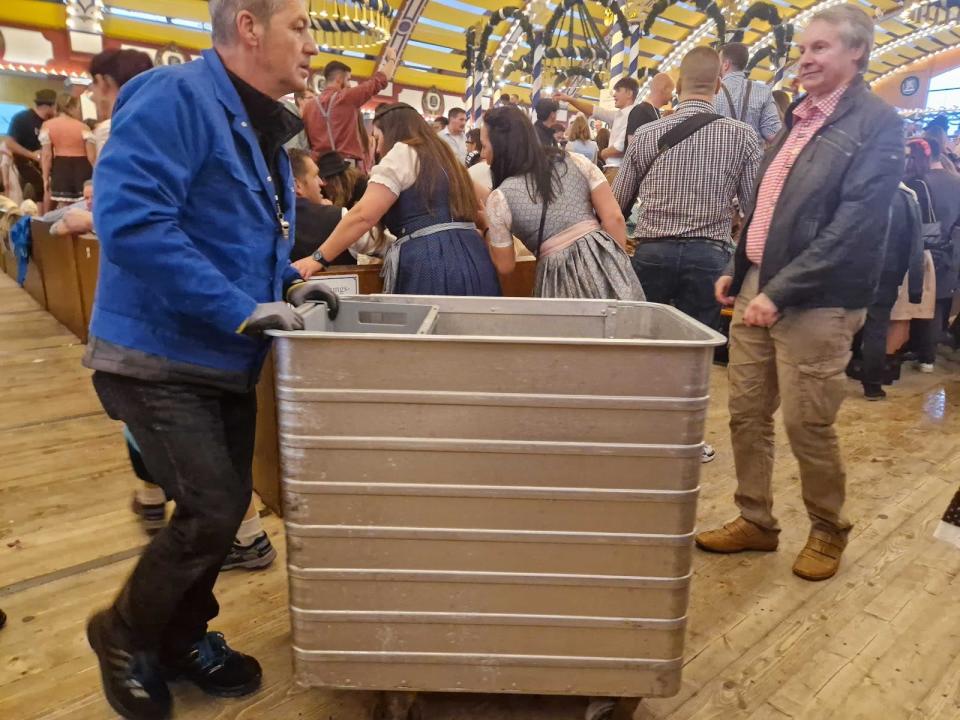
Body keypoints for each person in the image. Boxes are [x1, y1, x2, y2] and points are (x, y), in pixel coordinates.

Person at [83, 1, 320, 717]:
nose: (312, 43)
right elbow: (130, 220)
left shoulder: (263, 131)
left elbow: (242, 243)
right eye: (300, 26)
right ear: (248, 26)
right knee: (215, 507)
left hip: (222, 358)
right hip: (154, 355)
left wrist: (288, 286)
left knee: (221, 507)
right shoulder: (176, 95)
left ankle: (183, 634)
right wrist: (242, 309)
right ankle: (121, 633)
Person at [695, 5, 905, 583]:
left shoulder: (878, 123)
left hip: (819, 297)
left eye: (820, 49)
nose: (805, 59)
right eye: (803, 49)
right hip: (763, 286)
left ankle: (828, 528)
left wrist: (779, 289)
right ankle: (756, 520)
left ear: (856, 52)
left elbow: (856, 224)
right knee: (745, 414)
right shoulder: (799, 117)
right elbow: (767, 204)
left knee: (807, 424)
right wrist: (741, 273)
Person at [613, 47, 762, 333]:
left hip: (653, 251)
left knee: (643, 341)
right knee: (695, 347)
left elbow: (617, 202)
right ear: (718, 85)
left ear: (679, 86)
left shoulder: (646, 134)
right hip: (709, 257)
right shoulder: (743, 136)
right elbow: (752, 211)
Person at [292, 102, 501, 296]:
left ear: (391, 133)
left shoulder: (402, 153)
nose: (378, 148)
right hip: (475, 257)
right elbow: (493, 198)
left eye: (378, 138)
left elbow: (363, 216)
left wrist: (317, 258)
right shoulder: (446, 156)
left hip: (430, 262)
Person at [480, 106, 643, 301]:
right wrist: (616, 265)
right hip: (604, 258)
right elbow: (614, 218)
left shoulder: (499, 198)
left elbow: (505, 266)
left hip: (555, 276)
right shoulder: (575, 161)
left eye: (484, 146)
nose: (482, 154)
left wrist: (487, 227)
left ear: (500, 147)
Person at [849, 180, 924, 399]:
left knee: (841, 322)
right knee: (877, 328)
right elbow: (916, 246)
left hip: (854, 269)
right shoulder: (908, 200)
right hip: (888, 274)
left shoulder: (859, 190)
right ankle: (872, 385)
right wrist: (915, 290)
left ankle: (830, 376)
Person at [904, 137, 960, 372]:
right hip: (951, 248)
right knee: (938, 301)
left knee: (918, 297)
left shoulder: (917, 182)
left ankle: (913, 348)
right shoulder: (956, 181)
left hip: (922, 246)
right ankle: (928, 356)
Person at [302, 48, 398, 169]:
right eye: (348, 80)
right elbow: (381, 79)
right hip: (346, 169)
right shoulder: (346, 97)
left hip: (319, 170)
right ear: (339, 79)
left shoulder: (308, 107)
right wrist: (392, 59)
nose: (349, 85)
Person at [288, 148, 385, 262]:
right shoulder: (336, 217)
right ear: (297, 186)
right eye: (315, 176)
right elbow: (384, 245)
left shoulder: (270, 224)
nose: (321, 182)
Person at [557, 77, 641, 183]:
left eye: (618, 91)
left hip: (617, 170)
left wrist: (604, 152)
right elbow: (595, 111)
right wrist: (570, 99)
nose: (614, 95)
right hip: (614, 169)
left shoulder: (631, 115)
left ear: (629, 93)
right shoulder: (620, 115)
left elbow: (621, 147)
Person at [89, 48, 155, 155]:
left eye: (93, 86)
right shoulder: (154, 128)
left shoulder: (109, 129)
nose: (92, 97)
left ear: (102, 82)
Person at [714, 42, 782, 142]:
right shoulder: (763, 91)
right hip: (755, 156)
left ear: (726, 65)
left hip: (719, 155)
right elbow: (773, 134)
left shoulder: (712, 91)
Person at [39, 93, 95, 208]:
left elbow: (46, 156)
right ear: (74, 107)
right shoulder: (83, 127)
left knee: (64, 205)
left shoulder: (48, 125)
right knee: (83, 205)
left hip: (61, 167)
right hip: (82, 167)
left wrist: (45, 178)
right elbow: (92, 157)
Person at [4, 89, 57, 202]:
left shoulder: (53, 121)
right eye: (55, 106)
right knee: (35, 194)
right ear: (49, 106)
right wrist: (32, 155)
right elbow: (9, 142)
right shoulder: (22, 118)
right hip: (26, 165)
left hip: (48, 166)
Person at [625, 72, 675, 139]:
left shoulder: (653, 112)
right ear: (664, 89)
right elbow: (632, 144)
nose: (671, 96)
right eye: (671, 91)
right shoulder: (641, 111)